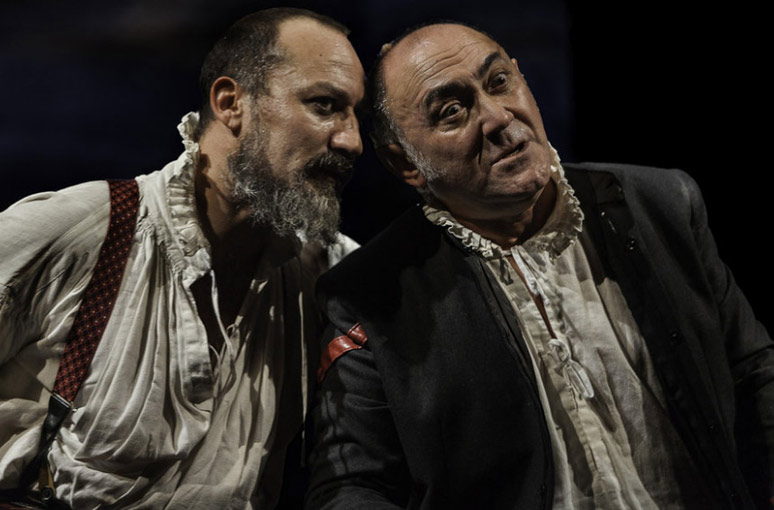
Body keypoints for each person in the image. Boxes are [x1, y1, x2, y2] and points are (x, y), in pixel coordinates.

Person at [306, 22, 773, 510]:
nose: (497, 117)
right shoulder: (371, 295)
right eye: (452, 111)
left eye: (500, 82)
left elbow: (754, 371)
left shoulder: (660, 204)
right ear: (404, 162)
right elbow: (352, 486)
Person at [0, 7, 364, 509]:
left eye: (356, 114)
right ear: (231, 102)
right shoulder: (85, 231)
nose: (351, 140)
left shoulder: (330, 277)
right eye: (324, 105)